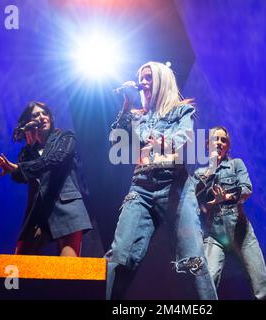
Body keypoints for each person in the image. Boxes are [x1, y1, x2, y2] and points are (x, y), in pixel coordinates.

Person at [105, 61, 218, 300]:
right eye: (141, 79)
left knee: (191, 260)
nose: (142, 83)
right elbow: (119, 141)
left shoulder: (181, 111)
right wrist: (127, 106)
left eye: (148, 78)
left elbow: (180, 139)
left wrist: (151, 137)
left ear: (162, 81)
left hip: (175, 186)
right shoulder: (137, 116)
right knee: (120, 255)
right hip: (141, 186)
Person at [0, 101, 91, 257]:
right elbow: (21, 176)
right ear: (29, 123)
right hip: (38, 212)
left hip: (67, 207)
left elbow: (55, 160)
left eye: (45, 113)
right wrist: (12, 170)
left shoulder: (65, 137)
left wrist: (18, 168)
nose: (42, 117)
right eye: (36, 115)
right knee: (19, 266)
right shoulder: (27, 151)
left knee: (68, 270)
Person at [194, 126, 266, 300]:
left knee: (261, 285)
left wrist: (227, 197)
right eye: (216, 139)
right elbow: (194, 201)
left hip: (240, 229)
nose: (220, 143)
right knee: (207, 283)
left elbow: (246, 190)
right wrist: (211, 172)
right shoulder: (199, 173)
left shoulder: (235, 164)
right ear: (208, 144)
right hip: (213, 234)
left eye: (224, 140)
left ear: (228, 147)